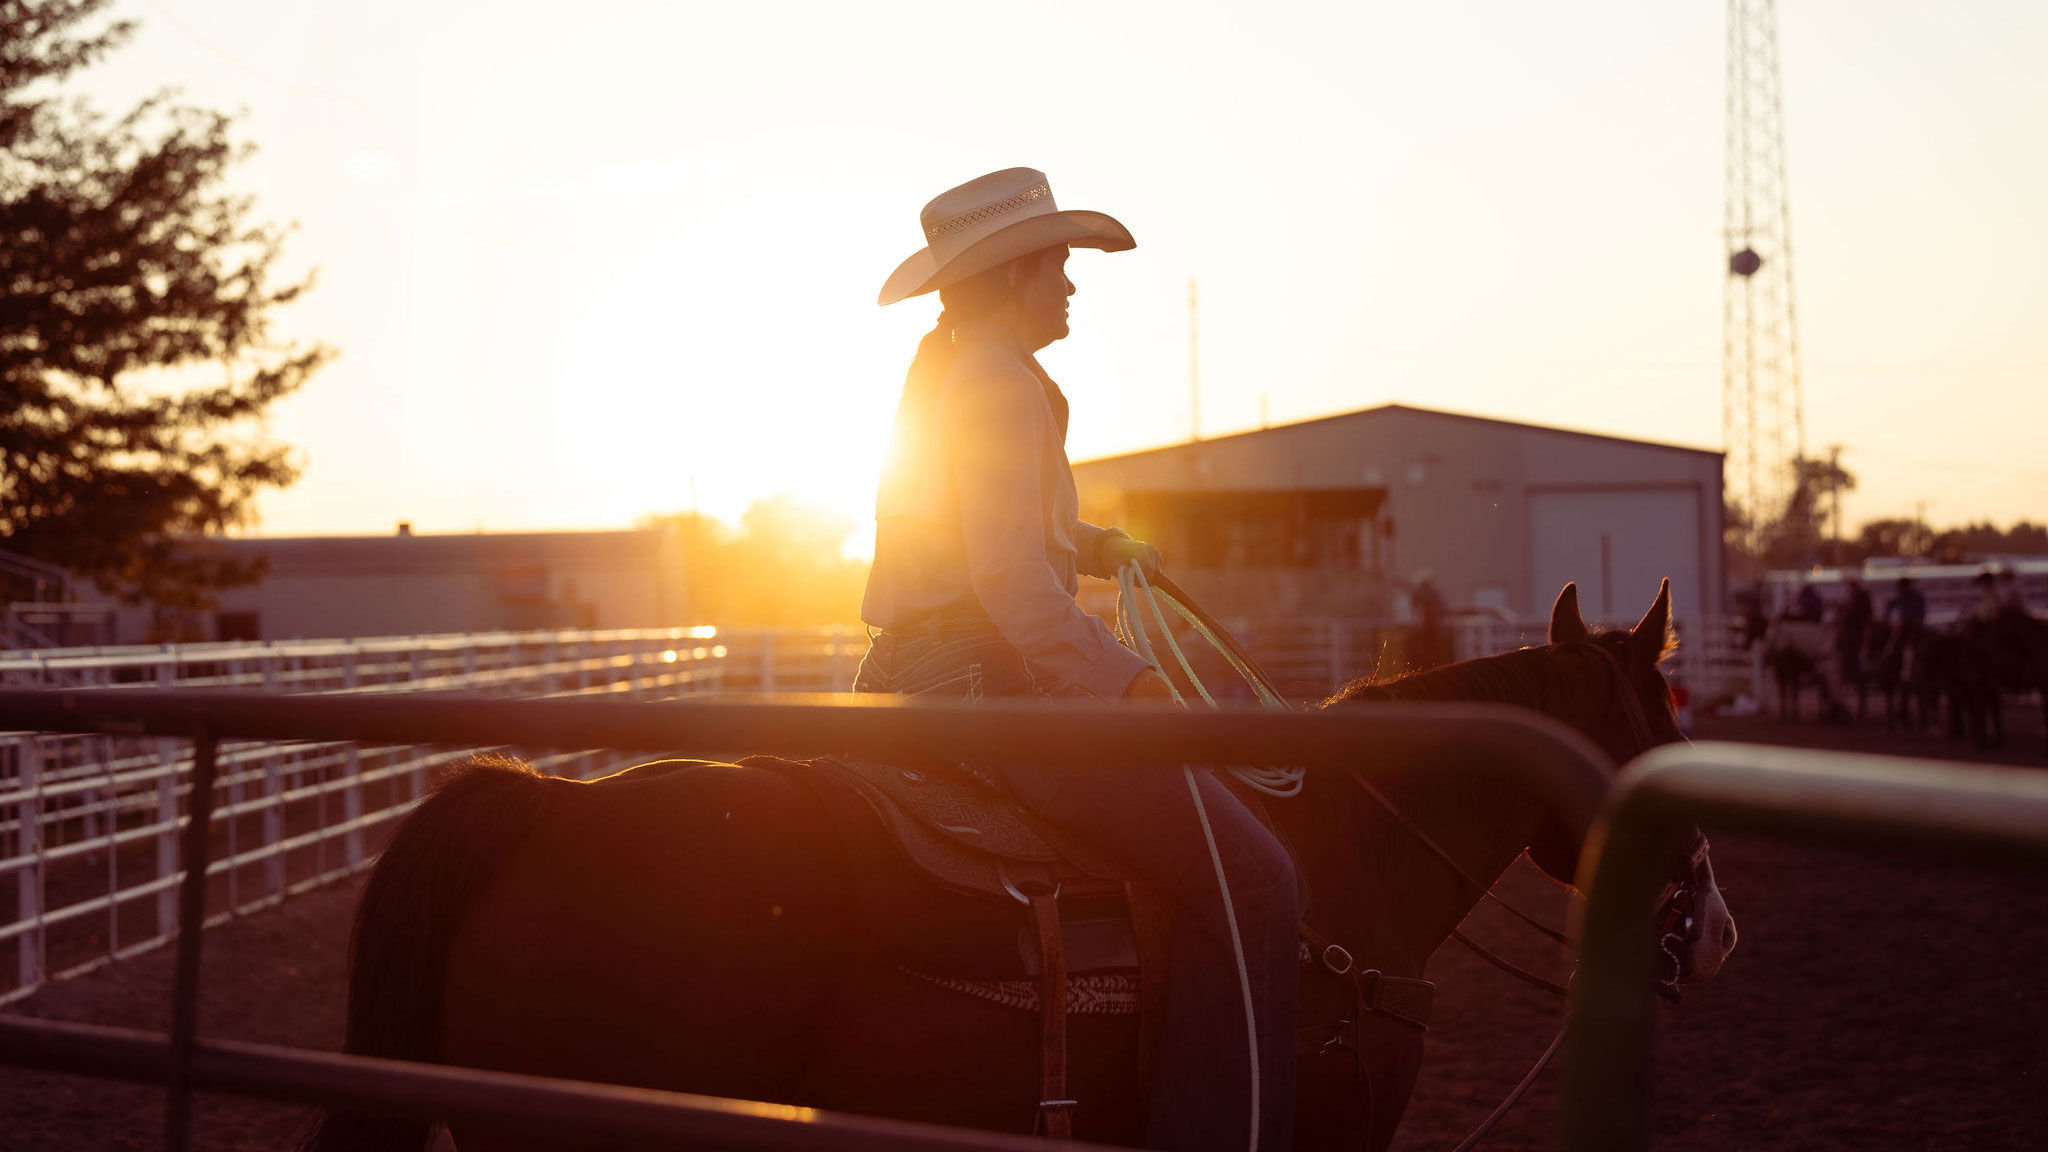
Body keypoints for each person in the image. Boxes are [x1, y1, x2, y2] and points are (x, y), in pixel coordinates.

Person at [854, 168, 1297, 1152]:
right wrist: (1131, 683)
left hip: (923, 666)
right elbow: (1013, 591)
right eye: (1054, 263)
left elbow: (974, 528)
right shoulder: (1001, 384)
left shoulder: (959, 370)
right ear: (1012, 273)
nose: (1068, 283)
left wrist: (1092, 544)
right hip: (981, 681)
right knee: (1257, 882)